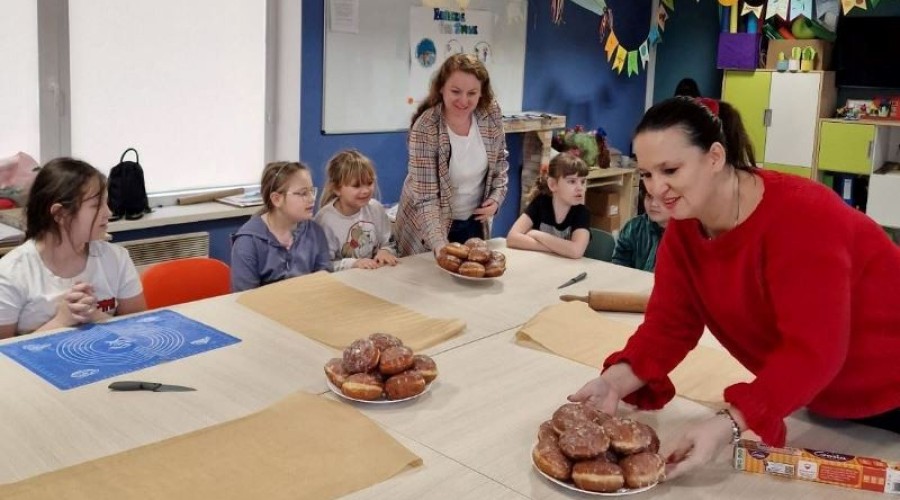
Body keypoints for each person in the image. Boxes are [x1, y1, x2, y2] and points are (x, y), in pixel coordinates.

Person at [569, 97, 900, 481]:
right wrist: (613, 383)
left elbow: (815, 350)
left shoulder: (804, 218)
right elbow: (670, 325)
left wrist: (731, 421)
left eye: (670, 169)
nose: (657, 189)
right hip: (823, 397)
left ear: (714, 157)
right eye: (646, 174)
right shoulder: (686, 225)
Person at [0, 158, 146, 338]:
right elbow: (4, 357)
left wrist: (95, 315)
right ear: (60, 214)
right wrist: (61, 321)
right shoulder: (10, 273)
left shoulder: (117, 258)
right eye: (96, 205)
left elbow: (140, 330)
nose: (108, 213)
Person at [395, 53, 509, 257]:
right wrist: (439, 245)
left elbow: (500, 161)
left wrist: (496, 197)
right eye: (456, 91)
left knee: (470, 280)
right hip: (427, 227)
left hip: (473, 221)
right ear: (441, 88)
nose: (464, 101)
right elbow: (427, 199)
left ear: (482, 92)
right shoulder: (426, 128)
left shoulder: (490, 112)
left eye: (472, 93)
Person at [231, 161, 331, 291]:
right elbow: (245, 296)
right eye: (303, 193)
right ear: (277, 199)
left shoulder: (315, 232)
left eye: (312, 191)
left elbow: (325, 280)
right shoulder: (248, 242)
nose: (312, 198)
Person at [314, 150, 398, 271]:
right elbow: (322, 266)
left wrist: (385, 251)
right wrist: (354, 264)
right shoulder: (325, 220)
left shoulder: (376, 209)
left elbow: (389, 243)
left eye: (369, 183)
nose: (365, 191)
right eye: (356, 186)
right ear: (337, 189)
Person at [506, 152, 591, 259]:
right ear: (553, 184)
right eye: (572, 181)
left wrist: (537, 234)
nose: (580, 188)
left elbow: (576, 251)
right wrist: (561, 249)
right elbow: (512, 238)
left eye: (583, 182)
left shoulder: (582, 212)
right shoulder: (540, 203)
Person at [611, 180, 670, 271]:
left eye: (661, 198)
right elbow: (619, 263)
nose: (653, 204)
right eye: (649, 196)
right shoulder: (633, 227)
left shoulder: (687, 235)